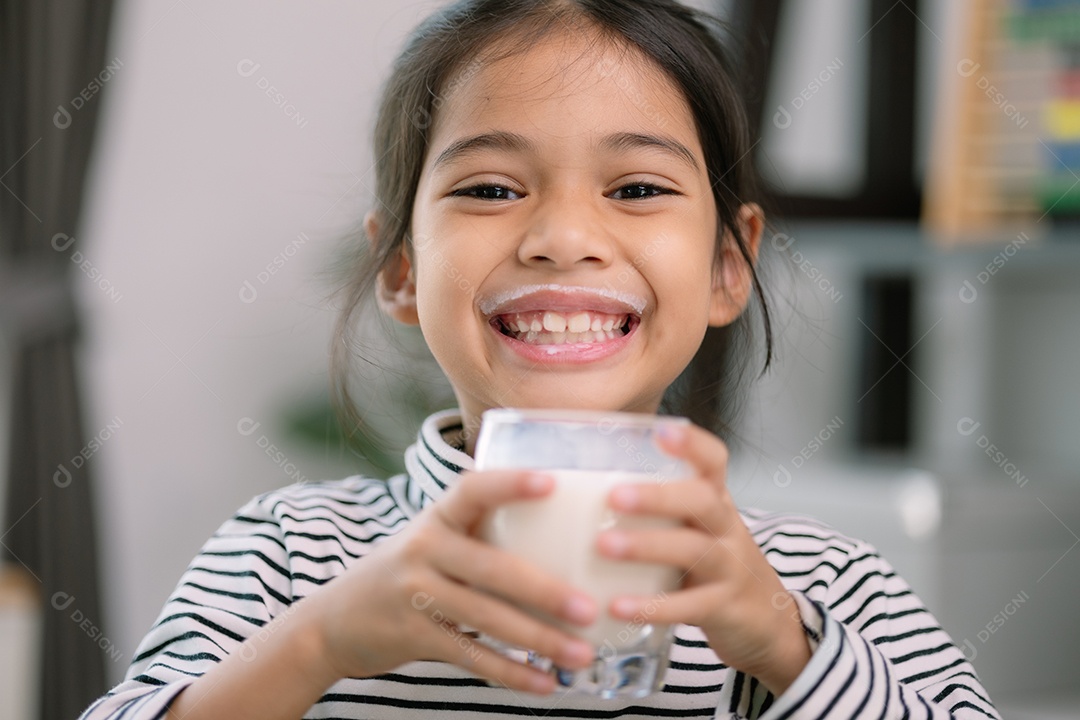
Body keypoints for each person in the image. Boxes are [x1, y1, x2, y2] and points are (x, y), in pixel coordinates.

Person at [80, 1, 999, 718]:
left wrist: (781, 645)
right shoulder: (289, 559)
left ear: (729, 266)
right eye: (489, 188)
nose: (563, 237)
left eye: (637, 187)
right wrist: (319, 644)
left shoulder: (819, 584)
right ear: (401, 270)